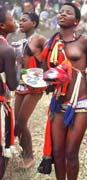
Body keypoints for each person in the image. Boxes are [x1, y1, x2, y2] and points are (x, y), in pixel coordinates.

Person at [37, 2, 87, 180]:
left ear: (76, 20)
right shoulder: (51, 43)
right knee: (58, 152)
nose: (63, 14)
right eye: (60, 12)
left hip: (81, 103)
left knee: (71, 153)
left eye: (68, 12)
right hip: (59, 102)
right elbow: (45, 70)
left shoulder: (85, 41)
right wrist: (50, 79)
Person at [13, 12, 46, 169]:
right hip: (21, 82)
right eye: (19, 20)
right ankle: (24, 149)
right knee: (16, 123)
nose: (20, 22)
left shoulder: (39, 39)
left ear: (33, 23)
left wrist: (44, 72)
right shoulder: (20, 41)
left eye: (24, 20)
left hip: (34, 84)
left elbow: (50, 57)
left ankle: (29, 154)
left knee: (22, 121)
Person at [0, 6, 19, 179]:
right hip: (0, 107)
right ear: (2, 26)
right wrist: (17, 67)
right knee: (2, 149)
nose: (15, 22)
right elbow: (13, 85)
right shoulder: (6, 50)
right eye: (12, 19)